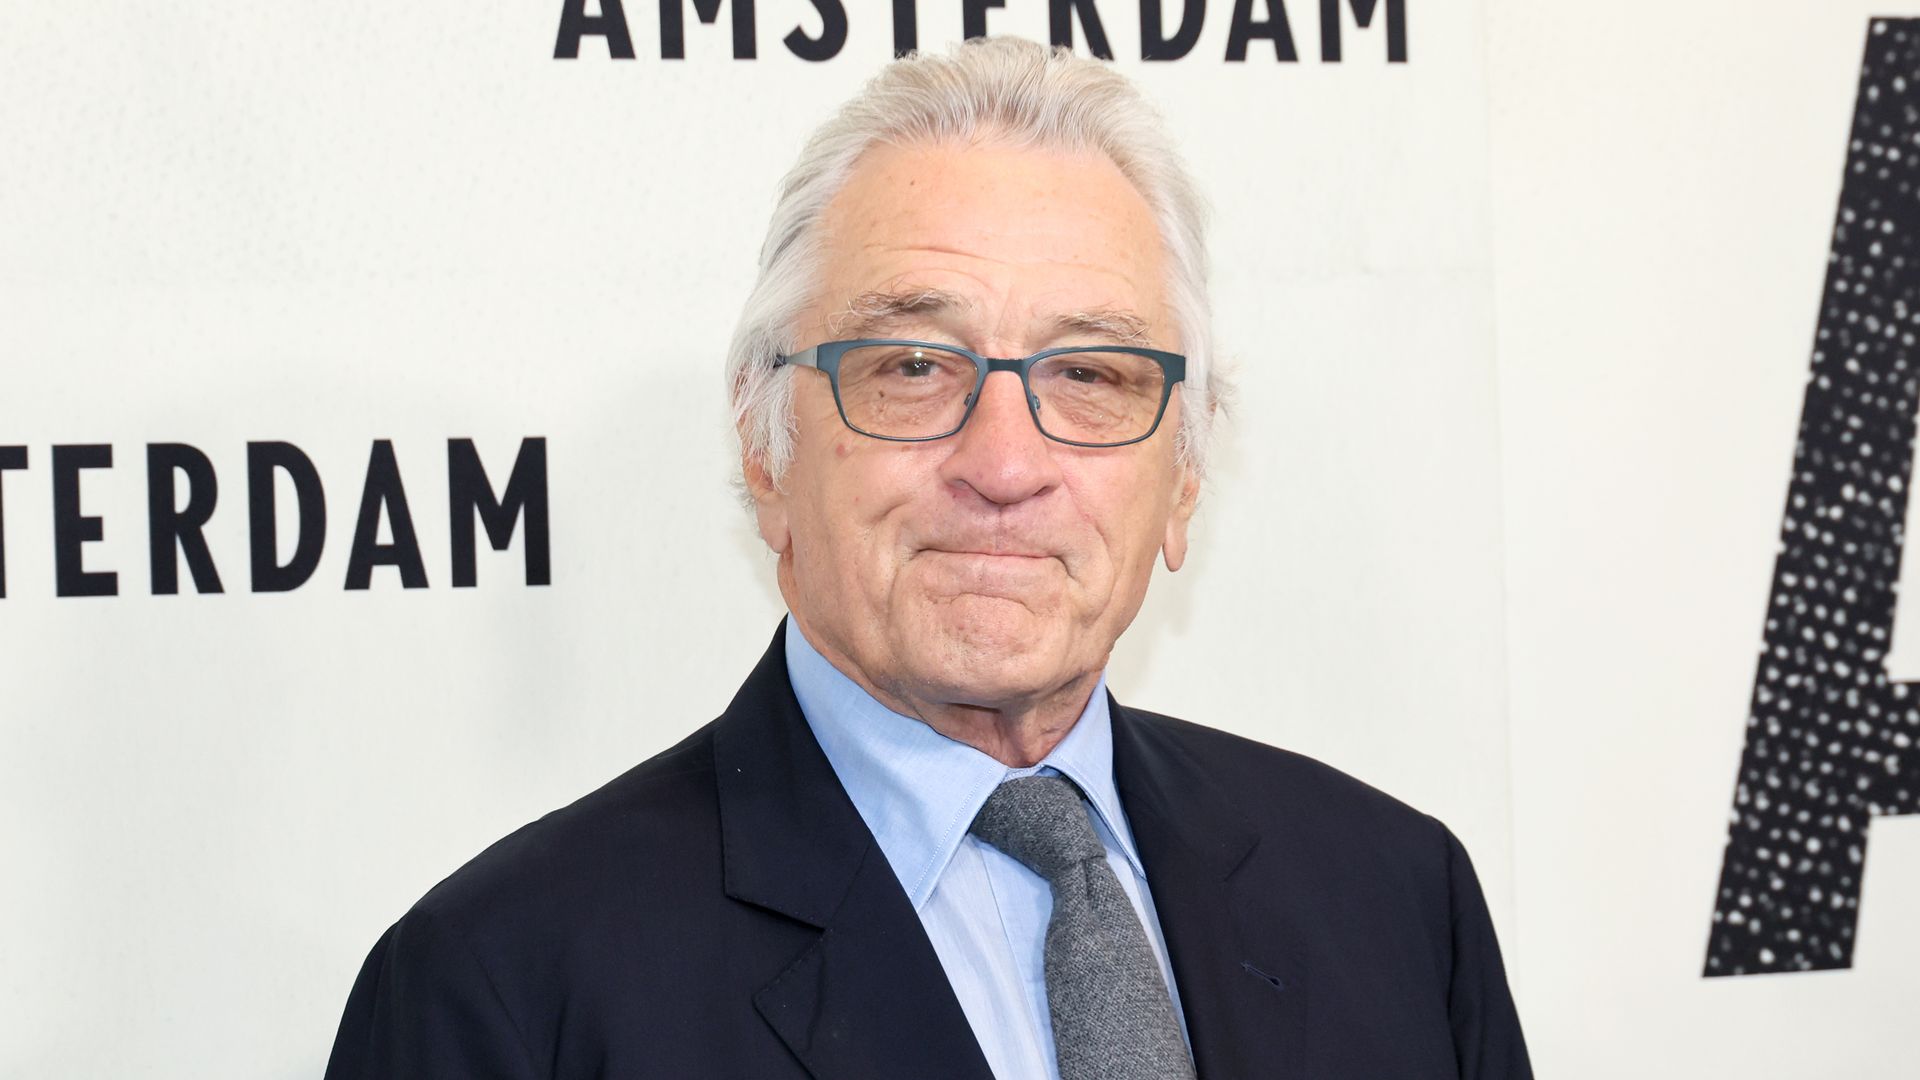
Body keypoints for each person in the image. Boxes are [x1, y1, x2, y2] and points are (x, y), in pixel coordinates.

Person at [325, 36, 1531, 1080]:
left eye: (1090, 373)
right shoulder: (502, 989)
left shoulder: (1395, 900)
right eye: (912, 367)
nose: (1004, 464)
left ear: (1186, 475)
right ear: (765, 448)